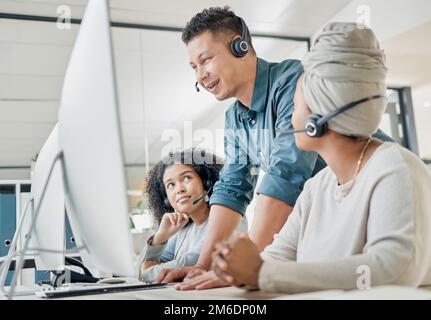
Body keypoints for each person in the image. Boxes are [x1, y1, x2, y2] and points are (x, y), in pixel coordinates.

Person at [156, 7, 391, 289]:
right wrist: (201, 266)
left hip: (378, 194)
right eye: (194, 67)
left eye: (206, 60)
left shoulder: (292, 81)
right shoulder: (235, 117)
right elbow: (232, 188)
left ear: (240, 46)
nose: (201, 76)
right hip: (337, 215)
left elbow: (285, 174)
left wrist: (248, 264)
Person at [211, 22, 431, 293]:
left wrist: (262, 272)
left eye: (297, 105)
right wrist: (237, 268)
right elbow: (276, 257)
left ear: (318, 118)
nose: (289, 117)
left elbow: (393, 270)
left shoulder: (396, 168)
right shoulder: (317, 187)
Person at [138, 148, 246, 282]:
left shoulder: (228, 219)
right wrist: (160, 236)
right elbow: (138, 271)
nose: (179, 189)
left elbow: (191, 262)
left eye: (187, 178)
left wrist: (148, 271)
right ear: (166, 198)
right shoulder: (183, 229)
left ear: (207, 183)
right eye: (171, 185)